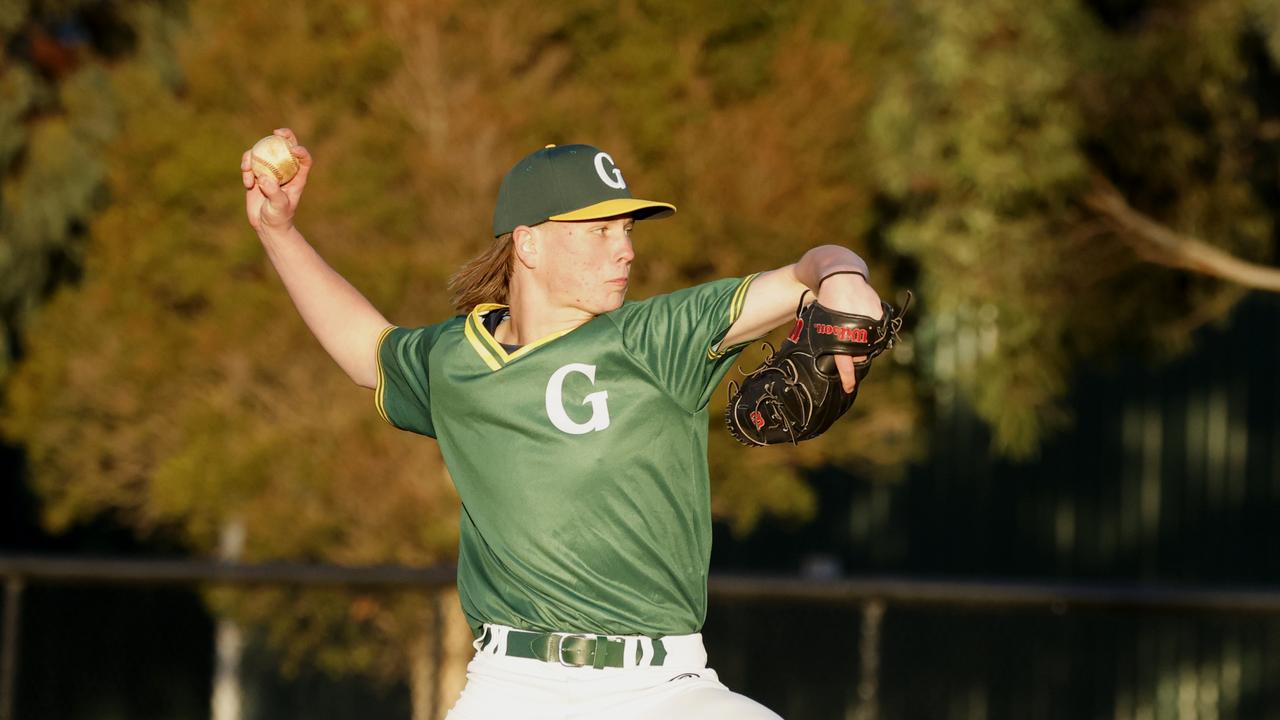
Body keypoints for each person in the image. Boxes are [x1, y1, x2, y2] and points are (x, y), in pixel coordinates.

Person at [241, 129, 886, 719]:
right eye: (599, 230)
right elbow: (366, 350)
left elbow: (806, 271)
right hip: (511, 687)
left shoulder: (659, 339)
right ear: (527, 242)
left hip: (662, 688)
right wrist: (278, 231)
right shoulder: (455, 360)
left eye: (628, 229)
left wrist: (843, 274)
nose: (625, 248)